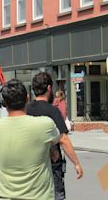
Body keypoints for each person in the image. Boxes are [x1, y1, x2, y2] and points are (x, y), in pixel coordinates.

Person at [0, 79, 60, 200]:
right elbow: (56, 140)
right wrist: (51, 149)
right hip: (39, 196)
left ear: (4, 103)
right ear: (27, 99)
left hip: (6, 196)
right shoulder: (45, 124)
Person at [27, 72, 83, 200]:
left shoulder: (26, 109)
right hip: (52, 164)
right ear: (49, 88)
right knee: (57, 195)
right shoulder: (52, 111)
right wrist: (77, 163)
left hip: (31, 164)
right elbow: (63, 139)